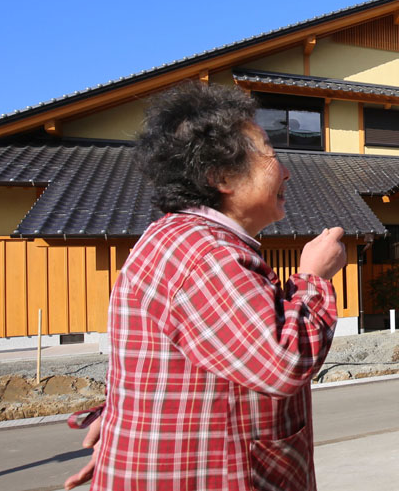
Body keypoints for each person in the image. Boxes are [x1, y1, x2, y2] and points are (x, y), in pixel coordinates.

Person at [65, 82, 347, 490]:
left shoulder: (187, 240)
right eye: (270, 154)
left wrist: (124, 433)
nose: (287, 170)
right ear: (221, 177)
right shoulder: (204, 253)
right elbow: (281, 360)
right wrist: (314, 279)